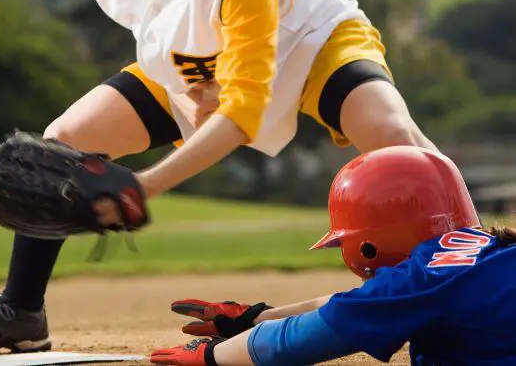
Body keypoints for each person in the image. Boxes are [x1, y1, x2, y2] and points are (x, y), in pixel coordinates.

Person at [0, 0, 436, 357]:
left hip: (311, 41)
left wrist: (143, 187)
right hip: (204, 61)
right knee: (63, 144)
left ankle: (476, 260)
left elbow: (242, 115)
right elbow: (173, 37)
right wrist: (204, 90)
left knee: (392, 135)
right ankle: (20, 312)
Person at [149, 145, 516, 365]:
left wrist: (210, 356)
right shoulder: (483, 251)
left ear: (370, 240)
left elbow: (294, 343)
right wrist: (256, 318)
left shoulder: (424, 278)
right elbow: (359, 303)